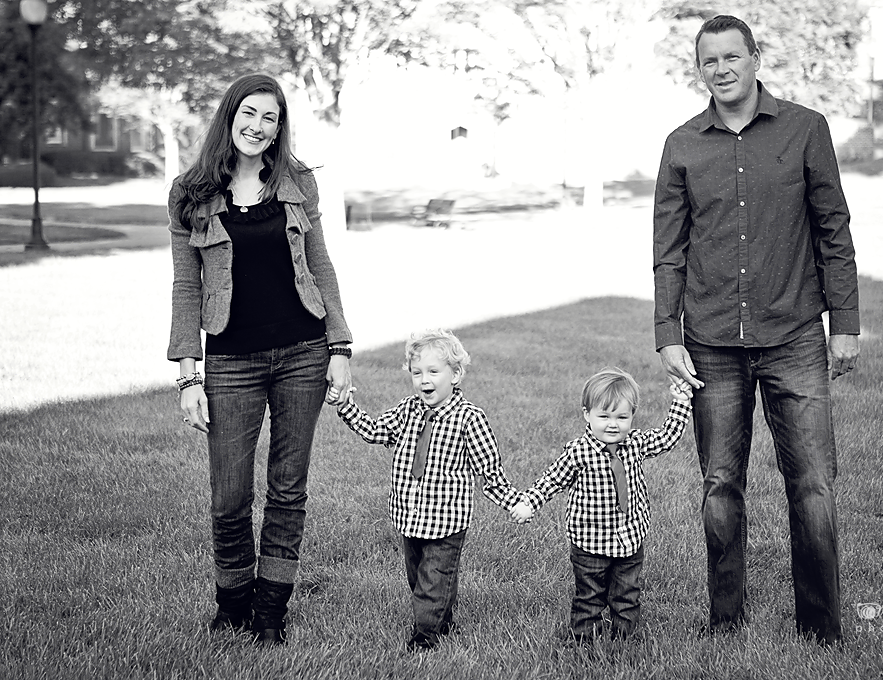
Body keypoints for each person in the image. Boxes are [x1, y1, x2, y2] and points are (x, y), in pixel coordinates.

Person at [652, 15, 860, 645]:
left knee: (813, 484)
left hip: (795, 333)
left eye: (731, 57)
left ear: (755, 58)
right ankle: (725, 619)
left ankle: (820, 627)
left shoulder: (806, 129)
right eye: (709, 60)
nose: (721, 69)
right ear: (699, 69)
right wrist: (668, 332)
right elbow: (669, 251)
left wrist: (845, 323)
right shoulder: (682, 145)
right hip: (711, 341)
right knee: (720, 485)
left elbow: (833, 228)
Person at [167, 73, 354, 646]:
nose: (257, 125)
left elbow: (319, 264)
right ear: (230, 116)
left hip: (304, 351)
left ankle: (271, 608)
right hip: (231, 360)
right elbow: (186, 286)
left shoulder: (297, 182)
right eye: (249, 113)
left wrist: (340, 347)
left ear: (279, 128)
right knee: (229, 496)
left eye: (270, 117)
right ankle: (232, 603)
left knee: (288, 489)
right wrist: (188, 376)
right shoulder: (190, 192)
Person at [327, 329, 521, 651]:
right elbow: (376, 430)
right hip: (410, 517)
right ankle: (443, 621)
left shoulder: (470, 419)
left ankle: (425, 636)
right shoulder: (408, 410)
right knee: (420, 578)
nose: (423, 380)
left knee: (434, 579)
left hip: (447, 522)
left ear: (455, 375)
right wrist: (347, 406)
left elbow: (489, 471)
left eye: (433, 371)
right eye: (417, 373)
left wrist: (514, 501)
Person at [510, 368, 693, 642]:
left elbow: (667, 438)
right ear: (587, 414)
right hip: (590, 543)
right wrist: (529, 503)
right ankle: (584, 641)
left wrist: (681, 401)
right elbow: (551, 480)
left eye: (622, 417)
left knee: (627, 595)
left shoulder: (636, 444)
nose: (612, 425)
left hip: (629, 539)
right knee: (589, 597)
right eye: (604, 416)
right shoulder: (578, 452)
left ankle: (624, 640)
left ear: (632, 416)